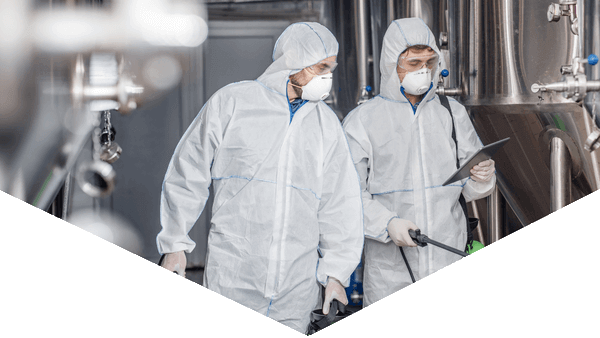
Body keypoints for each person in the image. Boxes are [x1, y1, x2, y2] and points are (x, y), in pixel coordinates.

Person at [156, 22, 363, 333]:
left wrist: (336, 275)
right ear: (294, 62)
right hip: (234, 276)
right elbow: (188, 170)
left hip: (297, 286)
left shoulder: (326, 125)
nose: (327, 77)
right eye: (321, 67)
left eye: (330, 68)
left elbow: (340, 203)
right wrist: (174, 244)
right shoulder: (234, 103)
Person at [342, 18, 496, 307]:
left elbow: (471, 188)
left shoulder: (451, 112)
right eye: (413, 63)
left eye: (429, 61)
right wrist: (386, 223)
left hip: (449, 256)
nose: (423, 70)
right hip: (391, 272)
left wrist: (482, 175)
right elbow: (347, 194)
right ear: (391, 64)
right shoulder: (363, 121)